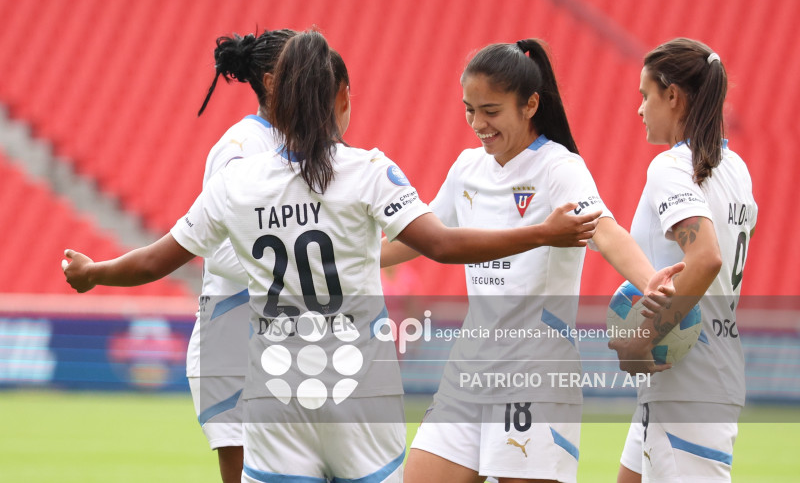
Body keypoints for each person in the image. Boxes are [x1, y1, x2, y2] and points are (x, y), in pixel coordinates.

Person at [62, 30, 605, 482]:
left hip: (278, 392)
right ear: (341, 95)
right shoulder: (368, 171)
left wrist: (93, 273)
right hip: (358, 389)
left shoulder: (237, 182)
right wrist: (540, 234)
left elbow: (155, 262)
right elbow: (440, 244)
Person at [380, 39, 682, 483]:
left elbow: (605, 231)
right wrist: (344, 261)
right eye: (470, 109)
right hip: (468, 372)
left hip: (535, 377)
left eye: (491, 110)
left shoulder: (559, 169)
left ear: (530, 105)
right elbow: (425, 237)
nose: (478, 124)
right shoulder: (466, 168)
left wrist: (650, 281)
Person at [610, 38, 757, 483]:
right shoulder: (736, 168)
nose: (639, 109)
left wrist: (642, 338)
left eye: (644, 95)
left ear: (671, 96)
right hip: (703, 370)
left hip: (687, 378)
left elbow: (707, 257)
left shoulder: (671, 167)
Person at [189, 28, 296, 483]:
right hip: (233, 345)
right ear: (272, 82)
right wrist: (296, 271)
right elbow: (216, 250)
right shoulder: (242, 149)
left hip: (280, 342)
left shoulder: (298, 145)